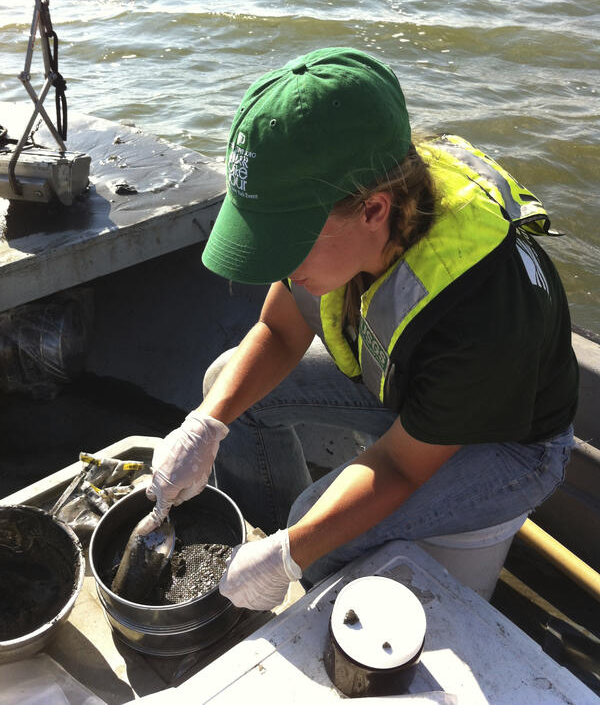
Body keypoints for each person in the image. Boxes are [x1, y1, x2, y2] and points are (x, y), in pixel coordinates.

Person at [140, 47, 578, 611]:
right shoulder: (365, 205)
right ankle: (273, 542)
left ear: (374, 209)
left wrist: (297, 548)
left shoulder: (477, 311)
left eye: (289, 244)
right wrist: (205, 426)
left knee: (313, 534)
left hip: (509, 444)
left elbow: (397, 466)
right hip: (414, 391)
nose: (280, 266)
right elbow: (278, 328)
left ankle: (295, 563)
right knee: (227, 385)